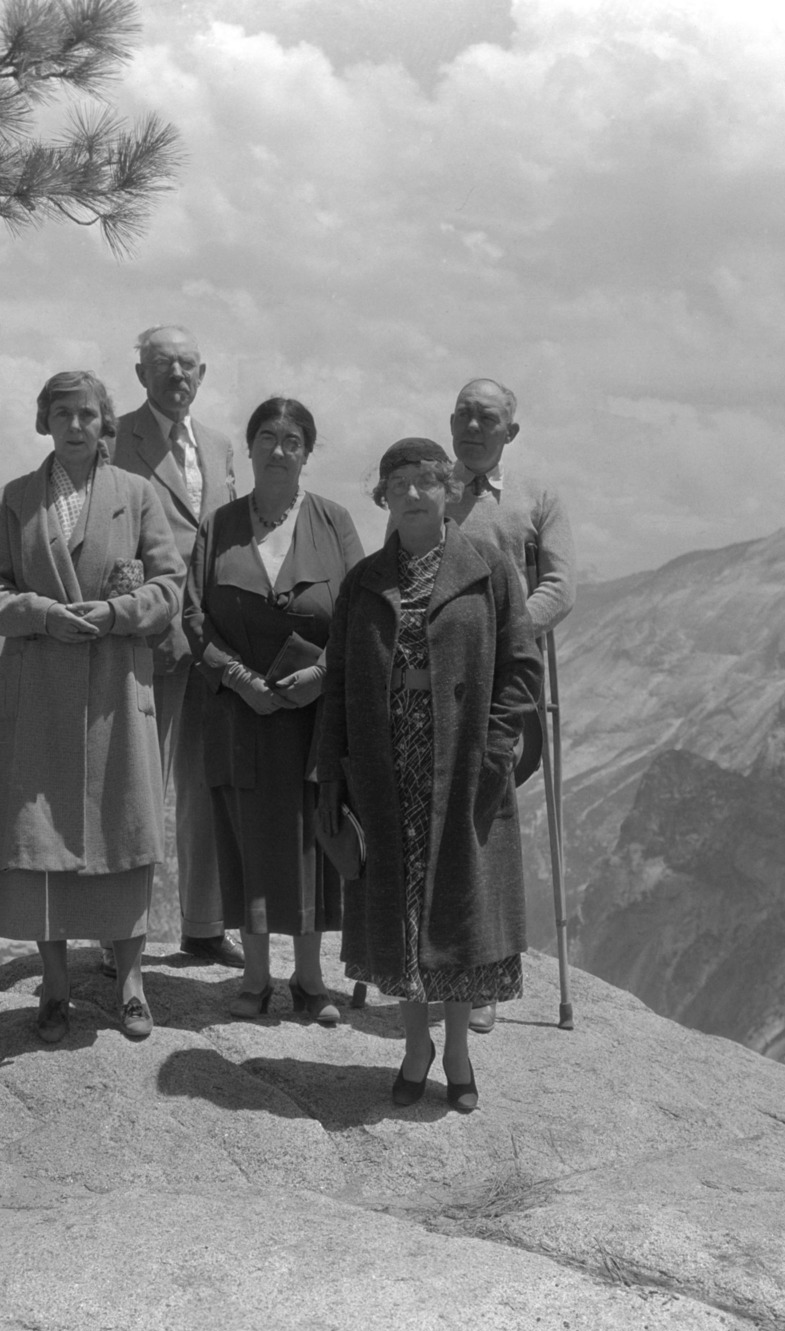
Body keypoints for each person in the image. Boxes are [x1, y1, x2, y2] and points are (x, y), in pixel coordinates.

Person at [314, 439, 542, 1111]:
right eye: (398, 482)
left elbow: (520, 666)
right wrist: (332, 773)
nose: (413, 493)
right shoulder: (363, 582)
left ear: (448, 489)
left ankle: (460, 1052)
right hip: (387, 772)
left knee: (460, 918)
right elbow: (335, 684)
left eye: (425, 480)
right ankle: (415, 1050)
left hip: (463, 771)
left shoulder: (489, 570)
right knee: (401, 917)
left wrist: (495, 750)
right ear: (382, 494)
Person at [0, 370, 185, 1042]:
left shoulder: (136, 494)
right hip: (38, 690)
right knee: (40, 838)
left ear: (104, 423)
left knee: (123, 831)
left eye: (87, 414)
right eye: (61, 414)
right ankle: (54, 981)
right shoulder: (15, 498)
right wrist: (38, 612)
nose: (74, 426)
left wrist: (118, 611)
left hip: (115, 688)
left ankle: (130, 983)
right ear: (44, 422)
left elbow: (170, 583)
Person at [183, 397, 366, 1022]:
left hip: (315, 715)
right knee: (248, 837)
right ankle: (256, 979)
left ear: (307, 453)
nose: (279, 449)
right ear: (251, 447)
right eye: (267, 437)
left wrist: (321, 675)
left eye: (292, 439)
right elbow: (193, 617)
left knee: (314, 837)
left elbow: (360, 613)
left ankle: (310, 982)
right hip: (240, 712)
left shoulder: (334, 521)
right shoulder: (219, 525)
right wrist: (238, 679)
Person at [107, 324, 245, 973]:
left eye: (188, 365)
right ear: (140, 374)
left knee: (207, 782)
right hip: (148, 641)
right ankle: (118, 933)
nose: (177, 376)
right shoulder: (116, 443)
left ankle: (205, 924)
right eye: (163, 365)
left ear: (203, 372)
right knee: (135, 790)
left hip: (212, 641)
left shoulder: (219, 447)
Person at [445, 377, 576, 1034]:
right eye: (464, 414)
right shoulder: (427, 489)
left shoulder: (537, 500)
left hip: (504, 676)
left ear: (510, 433)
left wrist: (510, 627)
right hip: (436, 676)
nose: (473, 426)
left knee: (491, 817)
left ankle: (483, 973)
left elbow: (561, 583)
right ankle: (433, 958)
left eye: (486, 417)